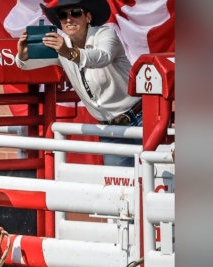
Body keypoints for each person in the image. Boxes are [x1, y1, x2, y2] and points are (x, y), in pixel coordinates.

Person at [16, 0, 142, 167]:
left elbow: (101, 57)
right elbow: (26, 65)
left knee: (163, 178)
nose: (69, 19)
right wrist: (23, 54)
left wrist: (69, 53)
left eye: (75, 13)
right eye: (63, 15)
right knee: (120, 188)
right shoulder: (62, 46)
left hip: (141, 118)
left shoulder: (105, 34)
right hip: (110, 130)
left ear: (88, 17)